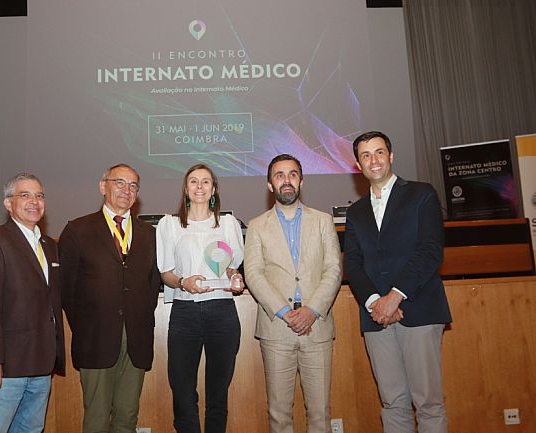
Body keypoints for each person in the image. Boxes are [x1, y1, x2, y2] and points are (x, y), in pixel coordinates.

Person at [344, 131, 452, 433]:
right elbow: (352, 263)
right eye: (365, 155)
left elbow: (430, 250)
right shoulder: (355, 212)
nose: (373, 160)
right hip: (376, 317)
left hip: (419, 310)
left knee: (428, 403)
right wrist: (374, 303)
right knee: (393, 403)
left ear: (390, 156)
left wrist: (395, 296)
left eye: (379, 152)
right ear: (358, 165)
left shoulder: (422, 194)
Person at [59, 163, 161, 433]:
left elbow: (152, 286)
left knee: (127, 418)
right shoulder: (77, 230)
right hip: (96, 339)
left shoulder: (150, 234)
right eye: (120, 183)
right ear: (103, 186)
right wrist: (87, 326)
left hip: (137, 340)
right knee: (97, 419)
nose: (127, 190)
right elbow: (67, 290)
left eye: (133, 185)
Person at [244, 154, 342, 433]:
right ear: (270, 185)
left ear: (301, 181)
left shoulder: (323, 221)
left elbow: (334, 269)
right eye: (279, 175)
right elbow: (253, 274)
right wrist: (287, 313)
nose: (286, 180)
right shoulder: (256, 225)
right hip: (277, 330)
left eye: (292, 174)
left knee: (320, 413)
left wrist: (311, 311)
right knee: (279, 415)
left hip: (317, 327)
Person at [0, 173, 65, 433]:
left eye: (39, 196)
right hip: (7, 366)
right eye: (25, 195)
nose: (34, 201)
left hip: (42, 364)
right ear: (8, 203)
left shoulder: (48, 245)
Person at [156, 164, 245, 433]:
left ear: (213, 189)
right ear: (185, 189)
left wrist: (235, 277)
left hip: (222, 312)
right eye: (193, 181)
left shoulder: (227, 224)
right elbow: (166, 274)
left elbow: (230, 267)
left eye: (206, 182)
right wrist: (183, 282)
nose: (199, 186)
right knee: (183, 392)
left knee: (218, 393)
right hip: (185, 313)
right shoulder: (170, 225)